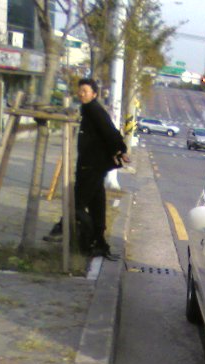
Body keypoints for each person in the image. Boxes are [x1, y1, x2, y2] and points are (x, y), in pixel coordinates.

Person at [45, 78, 129, 258]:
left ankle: (62, 228)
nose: (81, 94)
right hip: (94, 165)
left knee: (77, 202)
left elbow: (109, 130)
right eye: (80, 91)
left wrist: (120, 149)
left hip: (91, 166)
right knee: (97, 206)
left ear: (94, 94)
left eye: (85, 91)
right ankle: (98, 243)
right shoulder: (88, 109)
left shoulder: (93, 110)